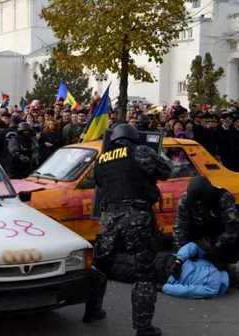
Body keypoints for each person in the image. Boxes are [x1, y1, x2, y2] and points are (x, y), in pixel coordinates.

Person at [89, 123, 172, 336]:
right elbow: (165, 172)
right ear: (134, 138)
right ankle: (143, 328)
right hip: (136, 216)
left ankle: (92, 311)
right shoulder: (140, 151)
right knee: (144, 272)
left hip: (109, 218)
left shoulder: (102, 158)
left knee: (100, 266)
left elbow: (96, 180)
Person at [173, 176, 239, 270]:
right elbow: (180, 227)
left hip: (219, 232)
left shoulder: (223, 199)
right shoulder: (186, 200)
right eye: (196, 200)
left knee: (225, 262)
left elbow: (232, 228)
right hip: (199, 231)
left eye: (201, 200)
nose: (199, 203)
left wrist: (217, 248)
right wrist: (183, 253)